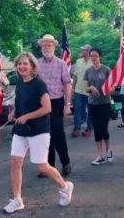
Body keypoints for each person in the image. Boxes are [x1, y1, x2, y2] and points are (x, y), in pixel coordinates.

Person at [3, 53, 74, 214]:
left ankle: (65, 187)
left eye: (25, 64)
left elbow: (47, 108)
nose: (22, 67)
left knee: (42, 166)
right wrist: (13, 114)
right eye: (19, 64)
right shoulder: (20, 83)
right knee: (15, 163)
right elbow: (19, 105)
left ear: (32, 66)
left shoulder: (39, 84)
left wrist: (27, 117)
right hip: (21, 131)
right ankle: (17, 199)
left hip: (39, 130)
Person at [37, 34, 72, 176]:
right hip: (40, 104)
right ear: (41, 47)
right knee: (44, 135)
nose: (46, 47)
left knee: (57, 133)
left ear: (54, 47)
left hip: (57, 102)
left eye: (49, 45)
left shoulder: (61, 64)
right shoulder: (36, 64)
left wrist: (67, 104)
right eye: (44, 45)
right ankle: (48, 166)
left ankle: (65, 162)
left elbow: (67, 84)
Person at [84, 48, 114, 165]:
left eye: (95, 56)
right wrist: (91, 88)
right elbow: (86, 88)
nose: (93, 58)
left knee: (103, 128)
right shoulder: (88, 71)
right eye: (91, 56)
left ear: (100, 57)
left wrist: (106, 91)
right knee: (96, 129)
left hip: (105, 103)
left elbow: (113, 86)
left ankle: (108, 150)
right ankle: (100, 155)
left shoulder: (106, 70)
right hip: (92, 103)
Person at [71, 44, 93, 137]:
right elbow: (75, 76)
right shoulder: (78, 61)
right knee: (77, 109)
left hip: (89, 91)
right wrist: (72, 87)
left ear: (88, 52)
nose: (81, 51)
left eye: (83, 50)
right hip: (78, 90)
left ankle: (89, 129)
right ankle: (77, 128)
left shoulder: (93, 62)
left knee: (90, 110)